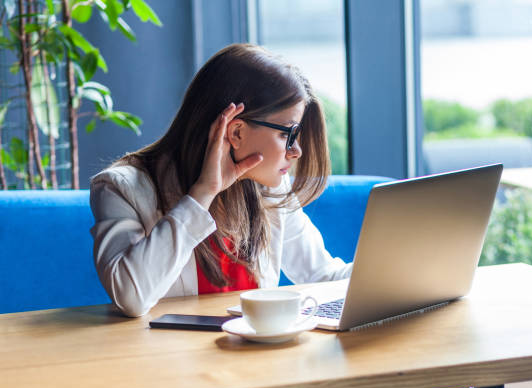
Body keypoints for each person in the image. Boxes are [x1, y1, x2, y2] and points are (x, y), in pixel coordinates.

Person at [89, 43, 352, 318]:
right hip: (169, 359)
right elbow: (131, 298)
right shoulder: (121, 188)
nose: (296, 151)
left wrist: (394, 270)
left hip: (255, 357)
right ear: (236, 132)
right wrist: (202, 195)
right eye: (288, 133)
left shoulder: (268, 187)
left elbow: (324, 275)